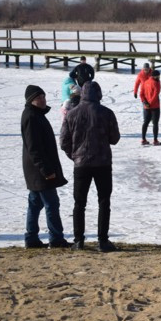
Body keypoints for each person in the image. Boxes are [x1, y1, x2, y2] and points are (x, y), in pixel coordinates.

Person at [60, 81, 121, 252]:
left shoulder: (71, 114)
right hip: (102, 163)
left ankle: (79, 240)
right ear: (99, 94)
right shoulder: (107, 113)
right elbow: (115, 138)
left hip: (81, 164)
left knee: (79, 203)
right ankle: (103, 241)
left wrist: (75, 156)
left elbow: (64, 141)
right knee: (104, 202)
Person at [21, 85, 71, 249]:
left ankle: (31, 238)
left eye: (43, 96)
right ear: (31, 100)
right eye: (39, 97)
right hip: (39, 171)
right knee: (51, 203)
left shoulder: (36, 115)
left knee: (35, 203)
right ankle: (56, 239)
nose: (43, 100)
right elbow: (34, 148)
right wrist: (46, 170)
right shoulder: (31, 117)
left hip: (37, 170)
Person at [139, 69, 161, 145]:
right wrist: (150, 103)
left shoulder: (145, 82)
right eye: (158, 76)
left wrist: (144, 102)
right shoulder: (157, 83)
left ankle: (143, 139)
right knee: (155, 123)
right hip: (155, 106)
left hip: (146, 107)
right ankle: (155, 140)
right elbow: (156, 94)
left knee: (145, 122)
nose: (159, 77)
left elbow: (141, 94)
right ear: (155, 76)